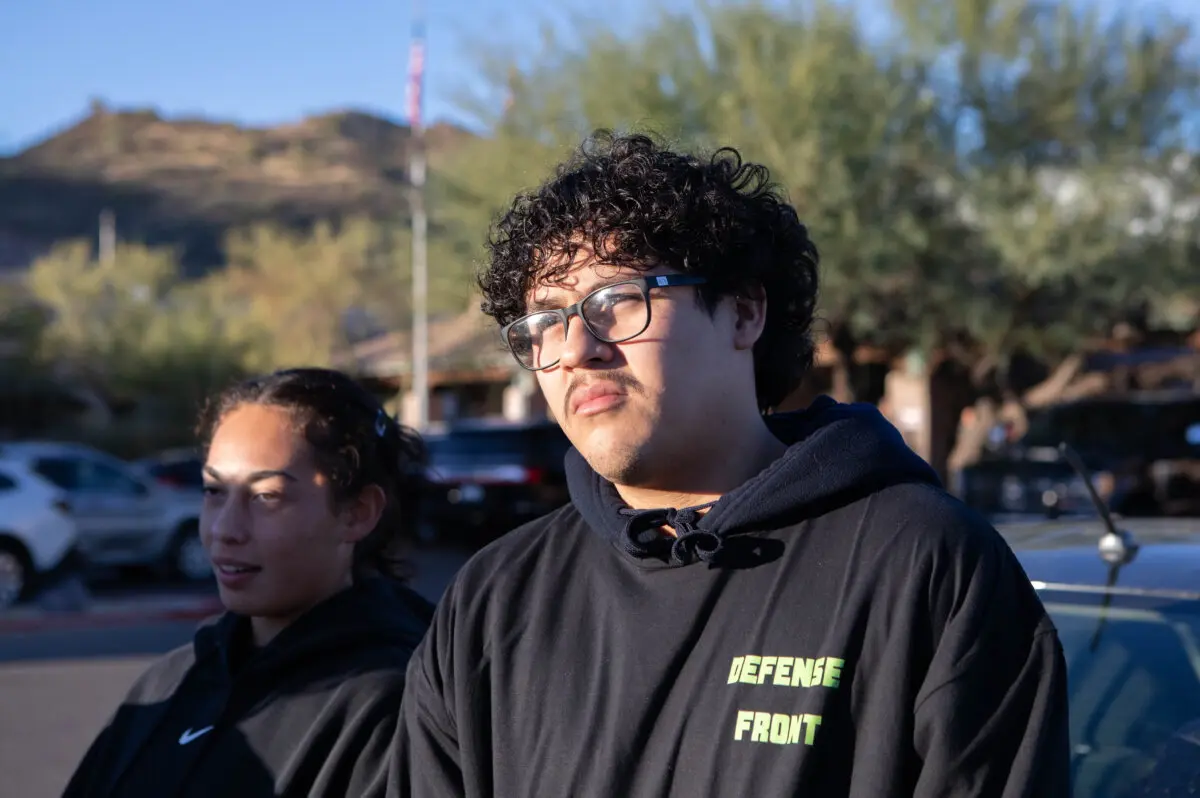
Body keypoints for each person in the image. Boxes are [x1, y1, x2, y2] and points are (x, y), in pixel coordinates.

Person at [396, 132, 1071, 797]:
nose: (575, 348)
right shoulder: (492, 600)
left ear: (745, 313)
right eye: (545, 320)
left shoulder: (923, 564)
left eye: (618, 300)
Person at [64, 367, 434, 798]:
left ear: (357, 513)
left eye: (266, 496)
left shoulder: (396, 701)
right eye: (213, 491)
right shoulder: (174, 680)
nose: (225, 529)